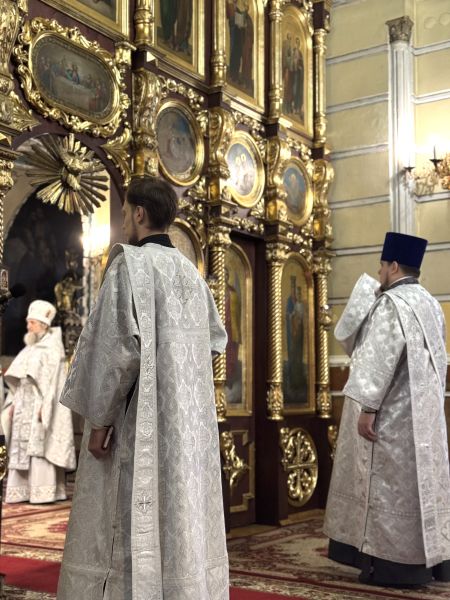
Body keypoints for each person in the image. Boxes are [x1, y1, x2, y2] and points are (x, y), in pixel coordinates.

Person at [57, 176, 229, 600]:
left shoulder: (129, 266)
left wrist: (99, 420)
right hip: (186, 428)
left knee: (128, 516)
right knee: (180, 516)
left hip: (139, 426)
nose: (123, 222)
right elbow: (216, 341)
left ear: (138, 213)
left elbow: (116, 350)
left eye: (123, 213)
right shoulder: (192, 274)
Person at [324, 232, 450, 587]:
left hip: (392, 416)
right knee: (420, 487)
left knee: (385, 486)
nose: (379, 272)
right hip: (423, 416)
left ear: (394, 266)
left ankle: (390, 567)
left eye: (381, 266)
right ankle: (435, 564)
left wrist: (368, 408)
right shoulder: (430, 303)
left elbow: (378, 358)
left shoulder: (391, 304)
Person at [3, 300, 76, 504]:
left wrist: (46, 407)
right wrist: (13, 403)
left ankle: (43, 491)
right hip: (23, 404)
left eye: (32, 323)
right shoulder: (30, 349)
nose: (28, 326)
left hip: (39, 405)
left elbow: (54, 384)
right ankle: (22, 490)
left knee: (38, 446)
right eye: (28, 322)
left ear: (43, 325)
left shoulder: (52, 350)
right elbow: (19, 380)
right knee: (20, 447)